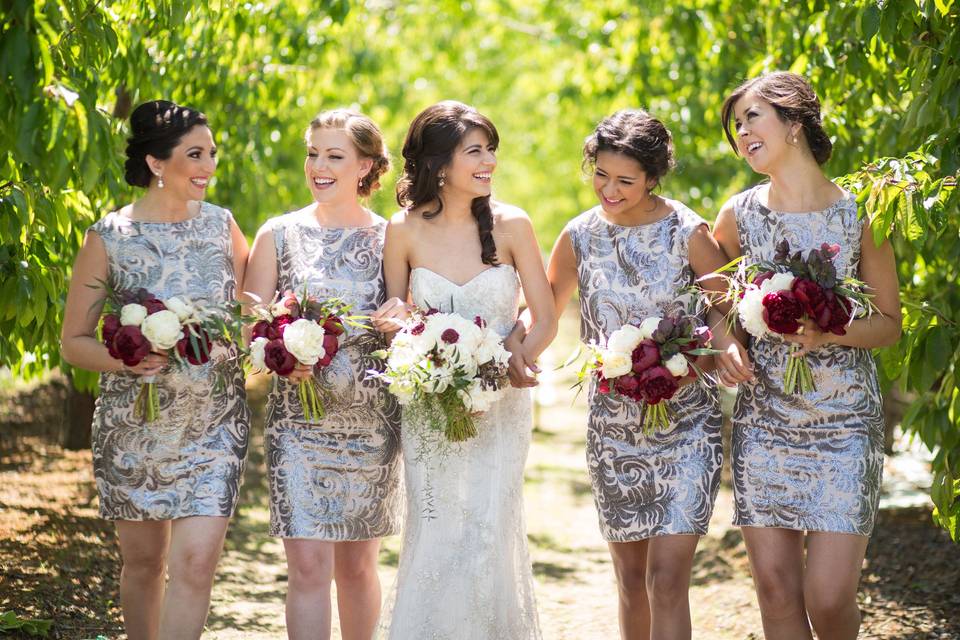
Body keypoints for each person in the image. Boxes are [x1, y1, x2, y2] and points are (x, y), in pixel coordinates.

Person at [512, 109, 728, 639]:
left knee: (667, 578)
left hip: (687, 426)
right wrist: (513, 347)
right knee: (631, 581)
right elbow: (545, 310)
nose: (609, 189)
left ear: (654, 177)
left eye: (625, 180)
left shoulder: (687, 230)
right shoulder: (579, 236)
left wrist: (705, 357)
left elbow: (725, 311)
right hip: (613, 429)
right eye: (601, 174)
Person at [711, 71, 901, 640]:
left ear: (794, 124)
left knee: (829, 597)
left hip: (845, 424)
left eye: (752, 118)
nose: (741, 133)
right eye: (735, 126)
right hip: (764, 423)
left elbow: (889, 325)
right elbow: (716, 304)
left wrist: (829, 330)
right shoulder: (737, 216)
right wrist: (726, 343)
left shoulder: (860, 214)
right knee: (775, 591)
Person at [60, 99, 250, 640]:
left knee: (195, 564)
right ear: (156, 163)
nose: (209, 165)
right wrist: (126, 355)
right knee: (144, 565)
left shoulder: (223, 225)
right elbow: (73, 342)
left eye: (212, 153)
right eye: (195, 154)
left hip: (215, 425)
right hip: (134, 428)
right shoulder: (108, 236)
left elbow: (255, 307)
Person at [370, 100, 556, 639]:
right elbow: (398, 314)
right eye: (476, 151)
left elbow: (543, 318)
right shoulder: (401, 229)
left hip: (500, 407)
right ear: (439, 164)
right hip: (429, 405)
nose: (489, 162)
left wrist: (517, 361)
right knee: (434, 526)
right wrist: (398, 327)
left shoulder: (513, 225)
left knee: (487, 527)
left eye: (491, 150)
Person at [243, 109, 401, 640]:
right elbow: (250, 331)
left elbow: (412, 319)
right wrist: (280, 352)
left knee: (357, 569)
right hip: (299, 427)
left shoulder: (390, 238)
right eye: (314, 153)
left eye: (335, 155)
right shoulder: (278, 234)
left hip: (371, 424)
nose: (319, 165)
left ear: (365, 167)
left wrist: (396, 325)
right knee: (309, 568)